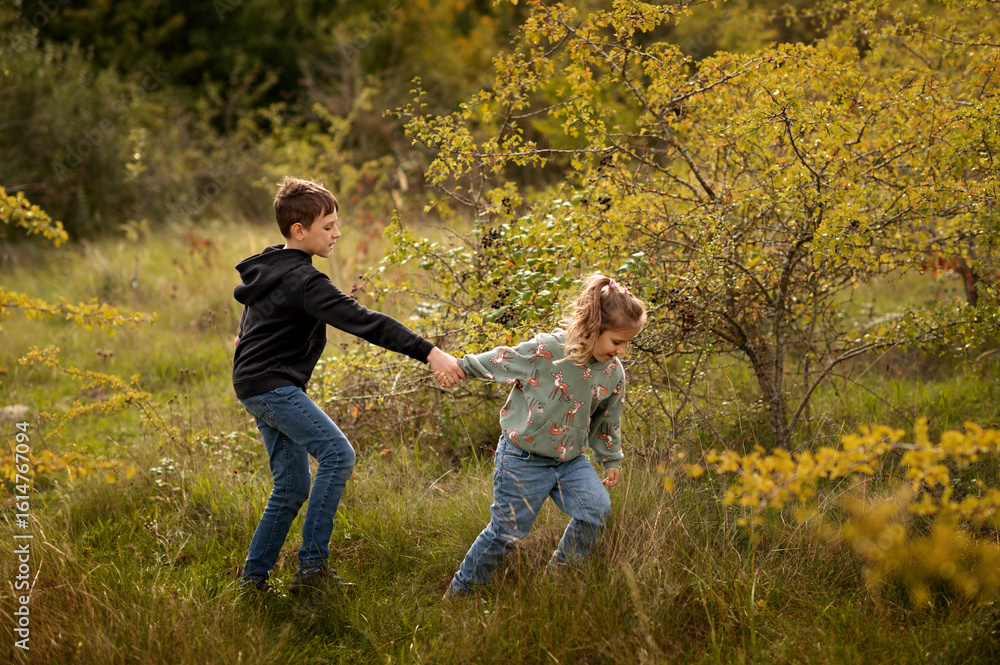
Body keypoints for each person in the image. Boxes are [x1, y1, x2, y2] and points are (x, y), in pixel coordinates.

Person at [233, 176, 465, 594]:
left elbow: (254, 315)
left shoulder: (270, 263)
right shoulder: (305, 282)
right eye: (328, 226)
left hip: (257, 383)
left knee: (292, 485)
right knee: (338, 454)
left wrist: (246, 346)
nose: (337, 234)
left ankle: (252, 581)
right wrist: (431, 352)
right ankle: (312, 571)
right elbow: (366, 322)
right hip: (271, 386)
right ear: (298, 231)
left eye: (337, 224)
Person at [437, 273, 646, 599]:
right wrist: (461, 367)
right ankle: (461, 592)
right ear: (594, 326)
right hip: (522, 458)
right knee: (507, 532)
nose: (621, 351)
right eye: (617, 342)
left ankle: (556, 580)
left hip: (570, 461)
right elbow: (503, 359)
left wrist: (611, 458)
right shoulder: (549, 351)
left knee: (595, 512)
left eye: (626, 344)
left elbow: (608, 417)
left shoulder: (612, 372)